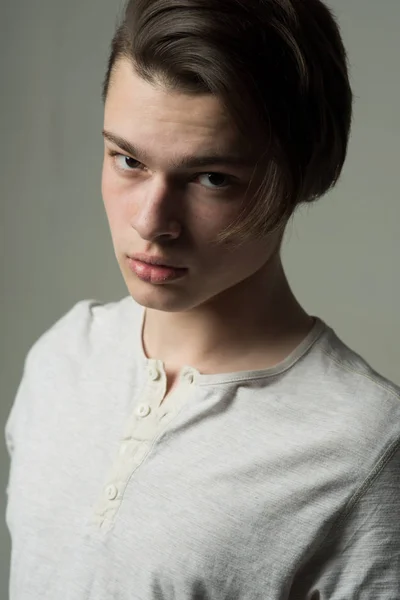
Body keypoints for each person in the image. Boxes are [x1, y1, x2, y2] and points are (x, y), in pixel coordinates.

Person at [4, 0, 400, 598]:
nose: (151, 222)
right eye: (128, 160)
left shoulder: (364, 447)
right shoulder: (62, 357)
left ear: (307, 173)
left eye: (212, 178)